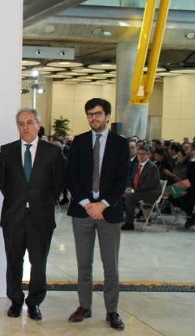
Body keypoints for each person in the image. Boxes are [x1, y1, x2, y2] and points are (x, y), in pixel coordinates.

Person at [66, 98, 129, 331]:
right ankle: (84, 306)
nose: (94, 118)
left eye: (98, 114)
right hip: (82, 211)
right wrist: (86, 203)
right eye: (90, 114)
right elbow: (71, 175)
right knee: (84, 263)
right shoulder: (79, 142)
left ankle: (112, 310)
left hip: (109, 212)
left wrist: (102, 204)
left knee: (110, 265)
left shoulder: (121, 144)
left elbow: (122, 179)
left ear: (108, 116)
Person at [0, 108, 63, 320]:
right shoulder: (6, 151)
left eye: (29, 122)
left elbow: (58, 184)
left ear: (38, 125)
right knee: (14, 261)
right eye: (21, 123)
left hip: (41, 218)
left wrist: (39, 203)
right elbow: (3, 183)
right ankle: (16, 301)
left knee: (38, 263)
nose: (25, 127)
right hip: (13, 217)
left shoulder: (52, 152)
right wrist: (20, 202)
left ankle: (34, 302)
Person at [122, 145, 161, 231]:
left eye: (143, 154)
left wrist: (132, 190)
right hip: (140, 191)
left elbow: (149, 185)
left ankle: (129, 224)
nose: (141, 156)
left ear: (148, 155)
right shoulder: (137, 165)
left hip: (151, 193)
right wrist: (128, 188)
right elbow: (131, 179)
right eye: (139, 154)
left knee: (130, 197)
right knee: (121, 192)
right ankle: (119, 217)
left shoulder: (152, 167)